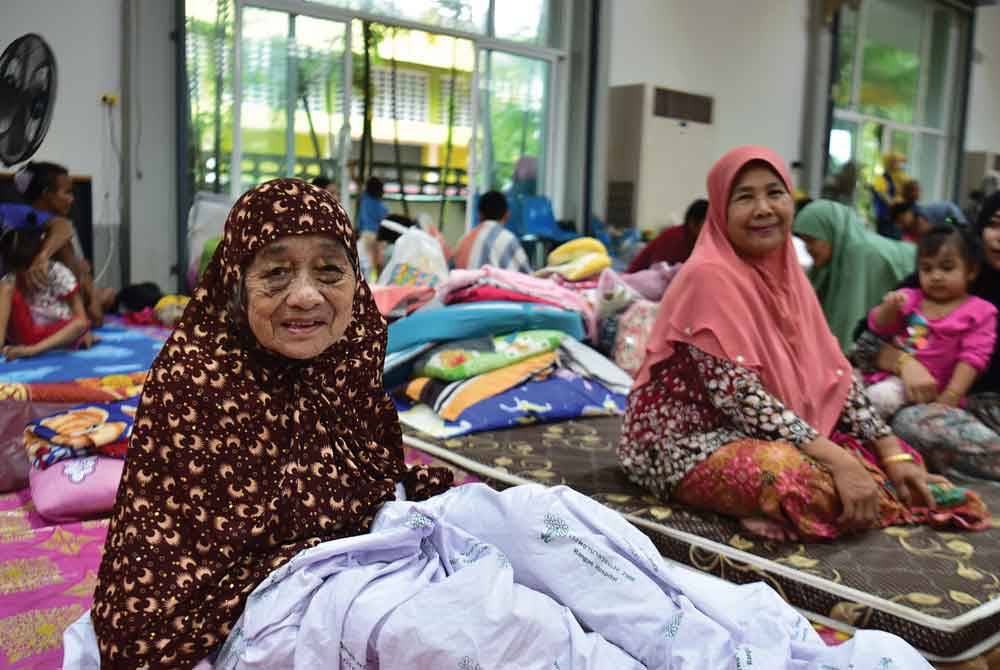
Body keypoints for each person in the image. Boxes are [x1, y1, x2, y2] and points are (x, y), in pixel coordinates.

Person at [87, 179, 453, 668]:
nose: (305, 296)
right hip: (225, 613)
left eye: (329, 270)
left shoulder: (348, 360)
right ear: (237, 283)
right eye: (276, 273)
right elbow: (186, 569)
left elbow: (376, 481)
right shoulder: (195, 382)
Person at [618, 145, 987, 543]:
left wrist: (890, 449)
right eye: (744, 197)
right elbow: (741, 398)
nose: (763, 208)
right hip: (686, 441)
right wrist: (840, 461)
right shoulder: (708, 276)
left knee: (894, 459)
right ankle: (799, 502)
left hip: (762, 430)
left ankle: (808, 501)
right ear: (721, 211)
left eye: (775, 193)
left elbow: (836, 376)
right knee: (796, 478)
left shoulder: (791, 278)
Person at [852, 191, 1000, 480]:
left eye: (944, 269)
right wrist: (904, 363)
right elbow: (865, 339)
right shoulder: (939, 278)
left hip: (983, 411)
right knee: (913, 423)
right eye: (994, 224)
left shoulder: (977, 308)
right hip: (932, 404)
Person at [864, 224, 996, 419]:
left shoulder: (980, 312)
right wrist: (888, 308)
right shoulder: (911, 298)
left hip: (936, 392)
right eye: (926, 269)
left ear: (971, 271)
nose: (936, 276)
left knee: (878, 399)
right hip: (894, 377)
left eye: (947, 268)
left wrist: (952, 395)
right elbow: (878, 326)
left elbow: (973, 357)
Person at [793, 200, 916, 352]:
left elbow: (850, 326)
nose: (807, 248)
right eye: (804, 241)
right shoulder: (831, 261)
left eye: (812, 240)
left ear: (832, 232)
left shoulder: (859, 255)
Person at [14, 161, 116, 325]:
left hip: (61, 296)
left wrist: (88, 287)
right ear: (47, 194)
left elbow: (64, 230)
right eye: (67, 193)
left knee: (107, 293)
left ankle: (83, 311)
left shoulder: (62, 227)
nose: (72, 199)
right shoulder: (26, 225)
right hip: (36, 305)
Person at [0, 225, 93, 359]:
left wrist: (33, 350)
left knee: (80, 324)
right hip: (22, 332)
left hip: (51, 335)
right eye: (14, 269)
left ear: (37, 260)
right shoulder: (9, 280)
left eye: (24, 269)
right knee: (6, 285)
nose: (19, 275)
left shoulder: (57, 273)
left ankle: (32, 350)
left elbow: (81, 321)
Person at [453, 190, 532, 273]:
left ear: (480, 214)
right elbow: (525, 275)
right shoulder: (508, 240)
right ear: (507, 215)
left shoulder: (463, 240)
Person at [626, 199, 708, 272]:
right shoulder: (676, 238)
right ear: (692, 222)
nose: (709, 229)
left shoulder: (697, 240)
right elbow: (659, 270)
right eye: (706, 224)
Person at [871, 152, 910, 239]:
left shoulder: (897, 177)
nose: (899, 165)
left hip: (895, 218)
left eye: (898, 162)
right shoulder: (881, 179)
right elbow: (886, 198)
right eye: (896, 162)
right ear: (889, 163)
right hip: (885, 218)